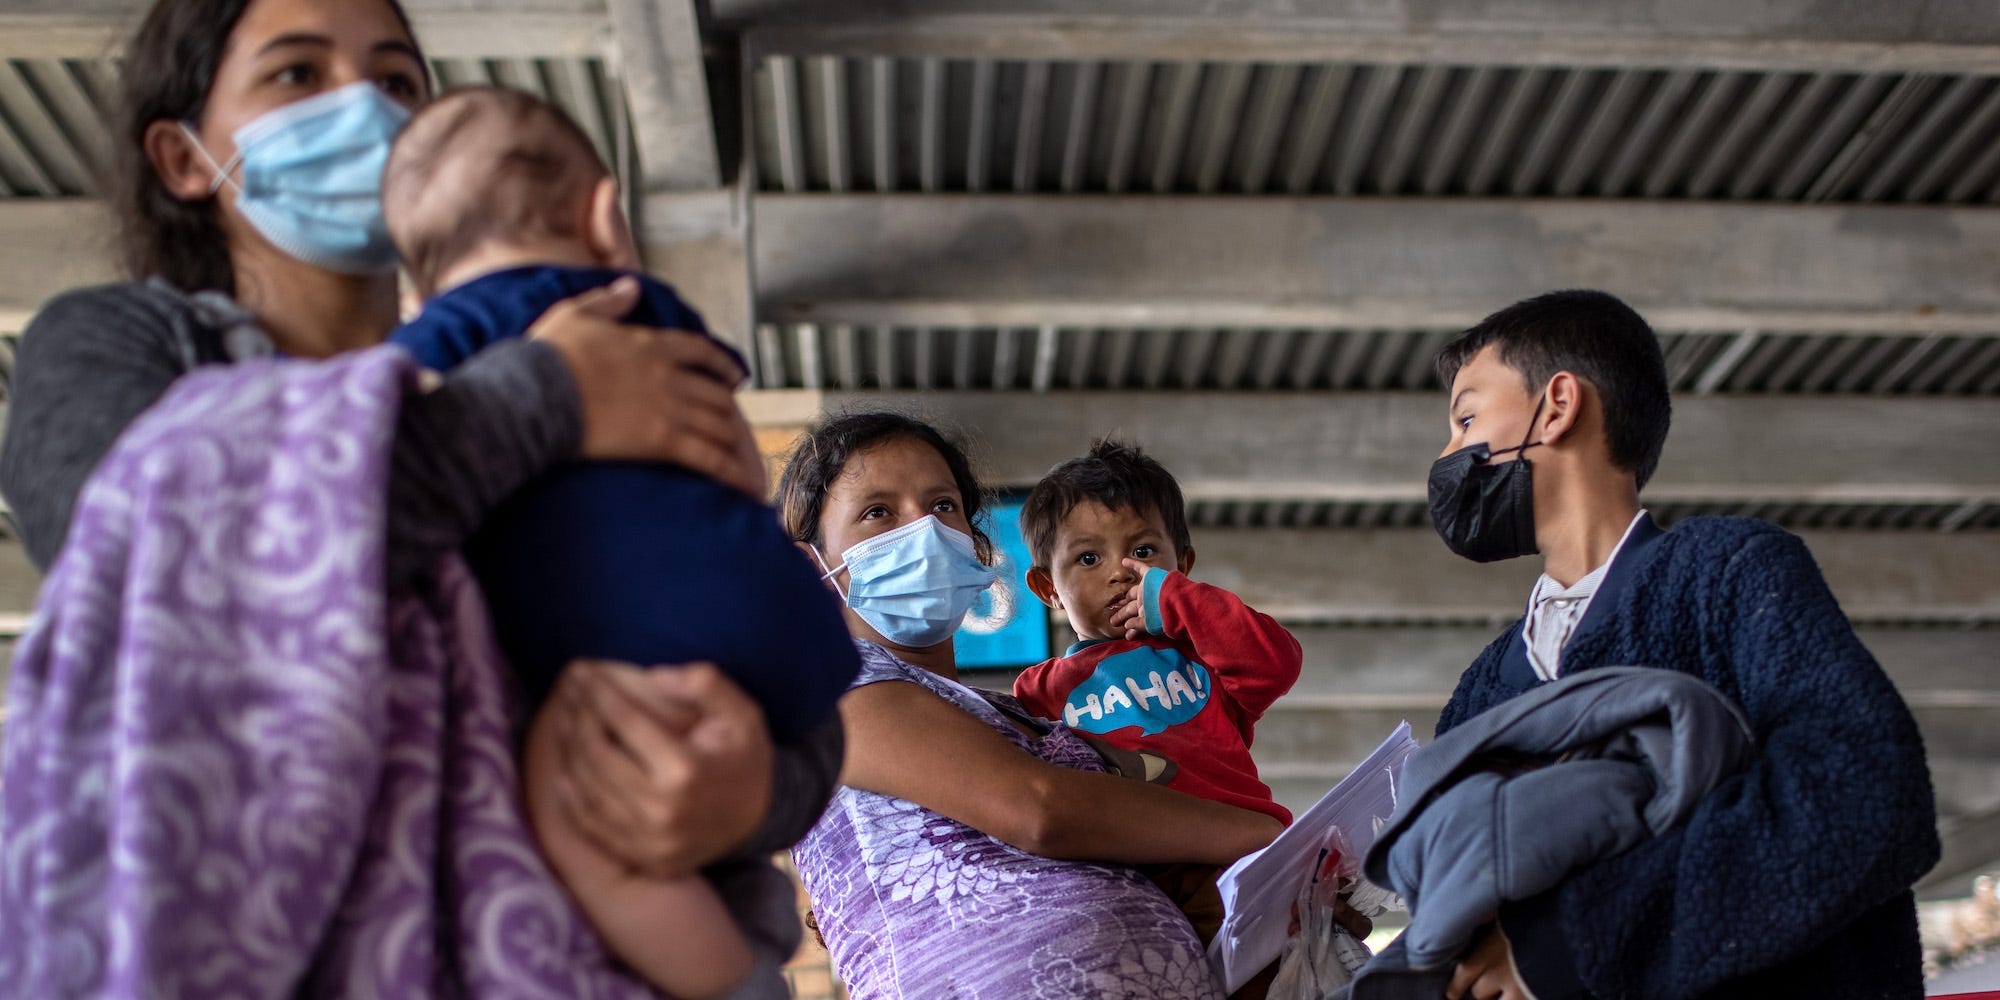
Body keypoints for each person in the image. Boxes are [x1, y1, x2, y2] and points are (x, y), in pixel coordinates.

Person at [0, 0, 823, 991]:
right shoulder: (121, 346)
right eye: (298, 75)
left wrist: (756, 792)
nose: (364, 110)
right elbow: (156, 568)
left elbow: (741, 608)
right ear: (182, 158)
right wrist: (547, 400)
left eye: (396, 82)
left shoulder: (591, 349)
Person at [382, 84, 857, 999]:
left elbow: (385, 448)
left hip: (562, 637)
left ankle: (714, 972)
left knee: (599, 838)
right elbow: (724, 441)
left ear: (414, 286)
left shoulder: (443, 338)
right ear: (606, 218)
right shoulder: (649, 309)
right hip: (770, 628)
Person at [1422, 289, 1939, 1000]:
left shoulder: (1723, 572)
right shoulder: (1483, 686)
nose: (1450, 454)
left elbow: (1864, 793)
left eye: (1467, 417)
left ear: (1559, 404)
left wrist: (1571, 943)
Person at [775, 411, 1359, 999]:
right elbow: (1041, 809)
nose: (924, 528)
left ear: (977, 545)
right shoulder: (832, 690)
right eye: (878, 511)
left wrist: (1284, 896)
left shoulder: (1021, 715)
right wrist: (1271, 842)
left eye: (944, 505)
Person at [1013, 438, 1300, 945]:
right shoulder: (1040, 689)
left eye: (1143, 552)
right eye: (1087, 558)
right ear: (1048, 589)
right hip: (1121, 877)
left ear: (1182, 564)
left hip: (1233, 861)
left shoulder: (1207, 655)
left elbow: (1276, 664)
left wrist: (1175, 600)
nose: (1121, 571)